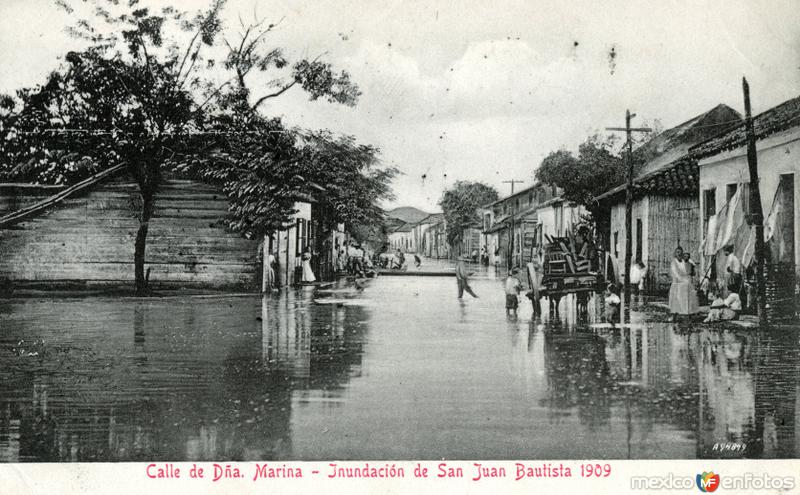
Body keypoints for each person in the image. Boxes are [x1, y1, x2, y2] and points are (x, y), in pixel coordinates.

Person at [668, 246, 698, 320]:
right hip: (678, 284)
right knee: (677, 300)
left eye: (681, 252)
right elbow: (676, 273)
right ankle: (674, 316)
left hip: (686, 283)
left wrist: (691, 265)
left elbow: (692, 270)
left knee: (688, 299)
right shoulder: (674, 262)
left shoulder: (685, 261)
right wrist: (683, 280)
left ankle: (689, 315)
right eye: (677, 252)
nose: (679, 253)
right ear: (675, 253)